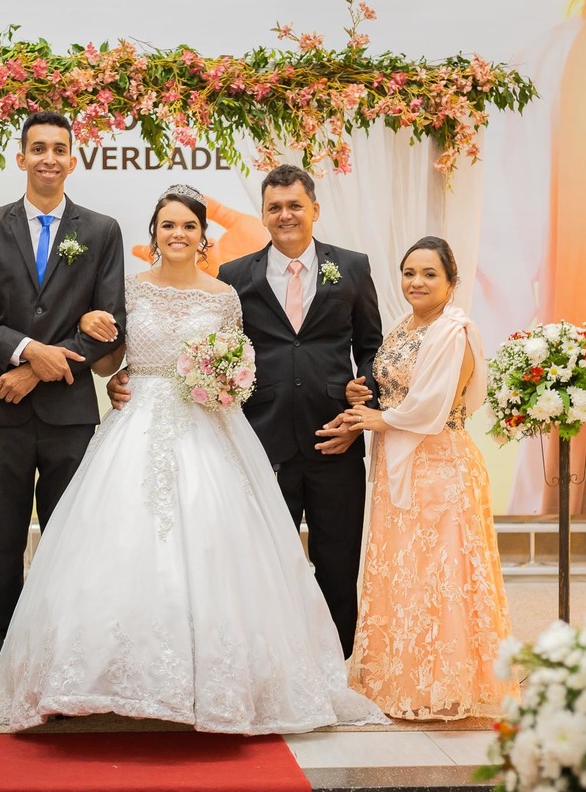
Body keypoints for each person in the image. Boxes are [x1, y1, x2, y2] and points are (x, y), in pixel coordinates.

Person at [0, 185, 388, 734]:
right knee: (116, 546)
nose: (178, 233)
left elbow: (240, 366)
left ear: (203, 237)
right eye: (168, 225)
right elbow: (106, 361)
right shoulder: (127, 291)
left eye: (188, 226)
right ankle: (95, 682)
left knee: (216, 547)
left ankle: (216, 684)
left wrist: (224, 381)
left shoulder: (223, 296)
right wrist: (114, 375)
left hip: (206, 426)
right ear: (155, 233)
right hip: (137, 422)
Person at [108, 164, 382, 656]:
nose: (285, 215)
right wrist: (126, 374)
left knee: (338, 561)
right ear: (262, 213)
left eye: (295, 205)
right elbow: (222, 351)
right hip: (262, 439)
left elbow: (371, 346)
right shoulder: (235, 278)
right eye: (274, 207)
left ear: (315, 210)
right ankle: (281, 658)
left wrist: (364, 407)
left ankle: (335, 666)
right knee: (265, 562)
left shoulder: (354, 267)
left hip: (334, 435)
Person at [0, 111, 126, 664]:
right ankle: (3, 657)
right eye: (38, 148)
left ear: (73, 160)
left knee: (68, 540)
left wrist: (37, 369)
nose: (49, 157)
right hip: (1, 413)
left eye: (59, 149)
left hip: (70, 413)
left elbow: (109, 322)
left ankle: (63, 655)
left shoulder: (101, 231)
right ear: (20, 157)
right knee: (1, 541)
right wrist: (27, 351)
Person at [341, 236, 514, 720]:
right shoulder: (405, 326)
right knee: (404, 574)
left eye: (429, 274)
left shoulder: (453, 331)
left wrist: (379, 420)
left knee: (441, 577)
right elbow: (397, 388)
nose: (416, 282)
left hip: (440, 468)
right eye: (410, 272)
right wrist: (366, 393)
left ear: (452, 282)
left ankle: (442, 687)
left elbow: (434, 405)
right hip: (402, 461)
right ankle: (399, 680)